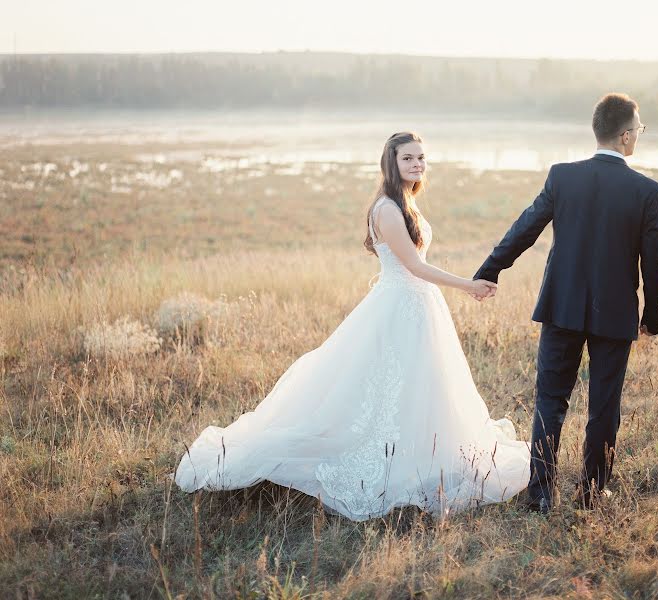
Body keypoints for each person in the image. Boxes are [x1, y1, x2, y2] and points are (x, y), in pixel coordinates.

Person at [173, 131, 531, 521]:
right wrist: (467, 285)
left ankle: (428, 452)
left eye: (421, 158)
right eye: (408, 158)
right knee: (381, 387)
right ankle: (383, 459)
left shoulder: (406, 202)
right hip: (399, 304)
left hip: (418, 306)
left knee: (422, 384)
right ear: (391, 163)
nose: (417, 165)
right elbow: (413, 266)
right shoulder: (387, 209)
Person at [473, 93, 658, 513]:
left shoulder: (562, 176)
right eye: (639, 129)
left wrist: (491, 268)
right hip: (615, 314)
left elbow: (526, 227)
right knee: (603, 404)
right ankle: (591, 495)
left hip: (561, 306)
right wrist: (652, 316)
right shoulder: (648, 191)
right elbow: (654, 261)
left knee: (550, 398)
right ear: (627, 136)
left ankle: (541, 493)